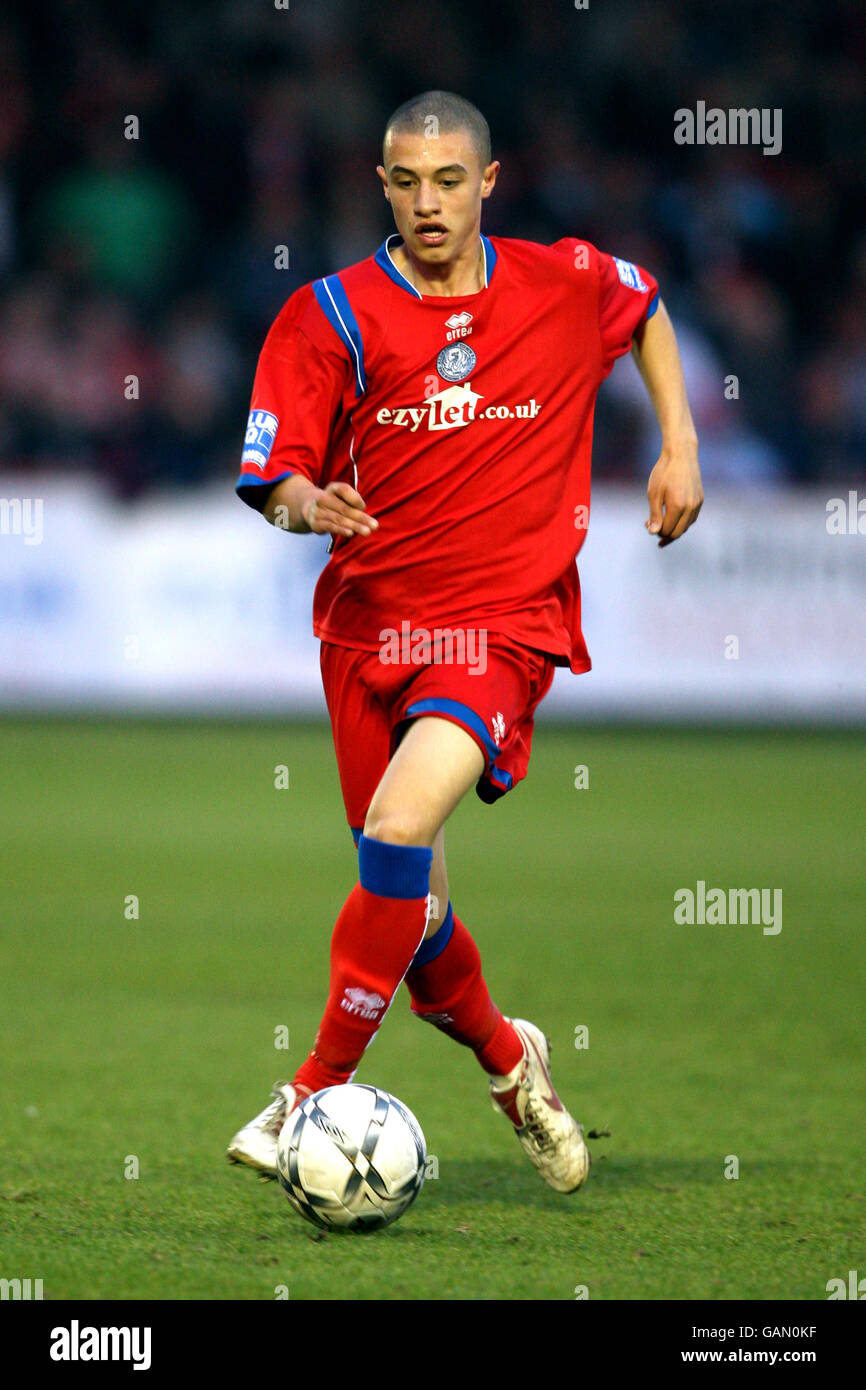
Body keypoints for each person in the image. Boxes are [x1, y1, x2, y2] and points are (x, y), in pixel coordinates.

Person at [228, 91, 703, 1195]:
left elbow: (644, 308)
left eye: (449, 180)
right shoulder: (330, 314)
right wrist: (309, 506)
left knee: (397, 827)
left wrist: (678, 444)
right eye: (406, 181)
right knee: (416, 916)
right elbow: (273, 478)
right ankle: (508, 1061)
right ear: (381, 185)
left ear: (488, 182)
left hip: (499, 625)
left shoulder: (560, 281)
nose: (427, 200)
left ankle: (306, 1089)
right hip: (365, 631)